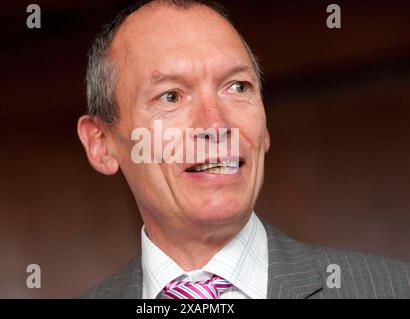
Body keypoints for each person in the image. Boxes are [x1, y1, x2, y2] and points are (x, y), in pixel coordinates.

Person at [77, 0, 410, 299]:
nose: (216, 124)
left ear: (263, 129)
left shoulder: (392, 289)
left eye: (237, 87)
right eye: (171, 96)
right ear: (101, 144)